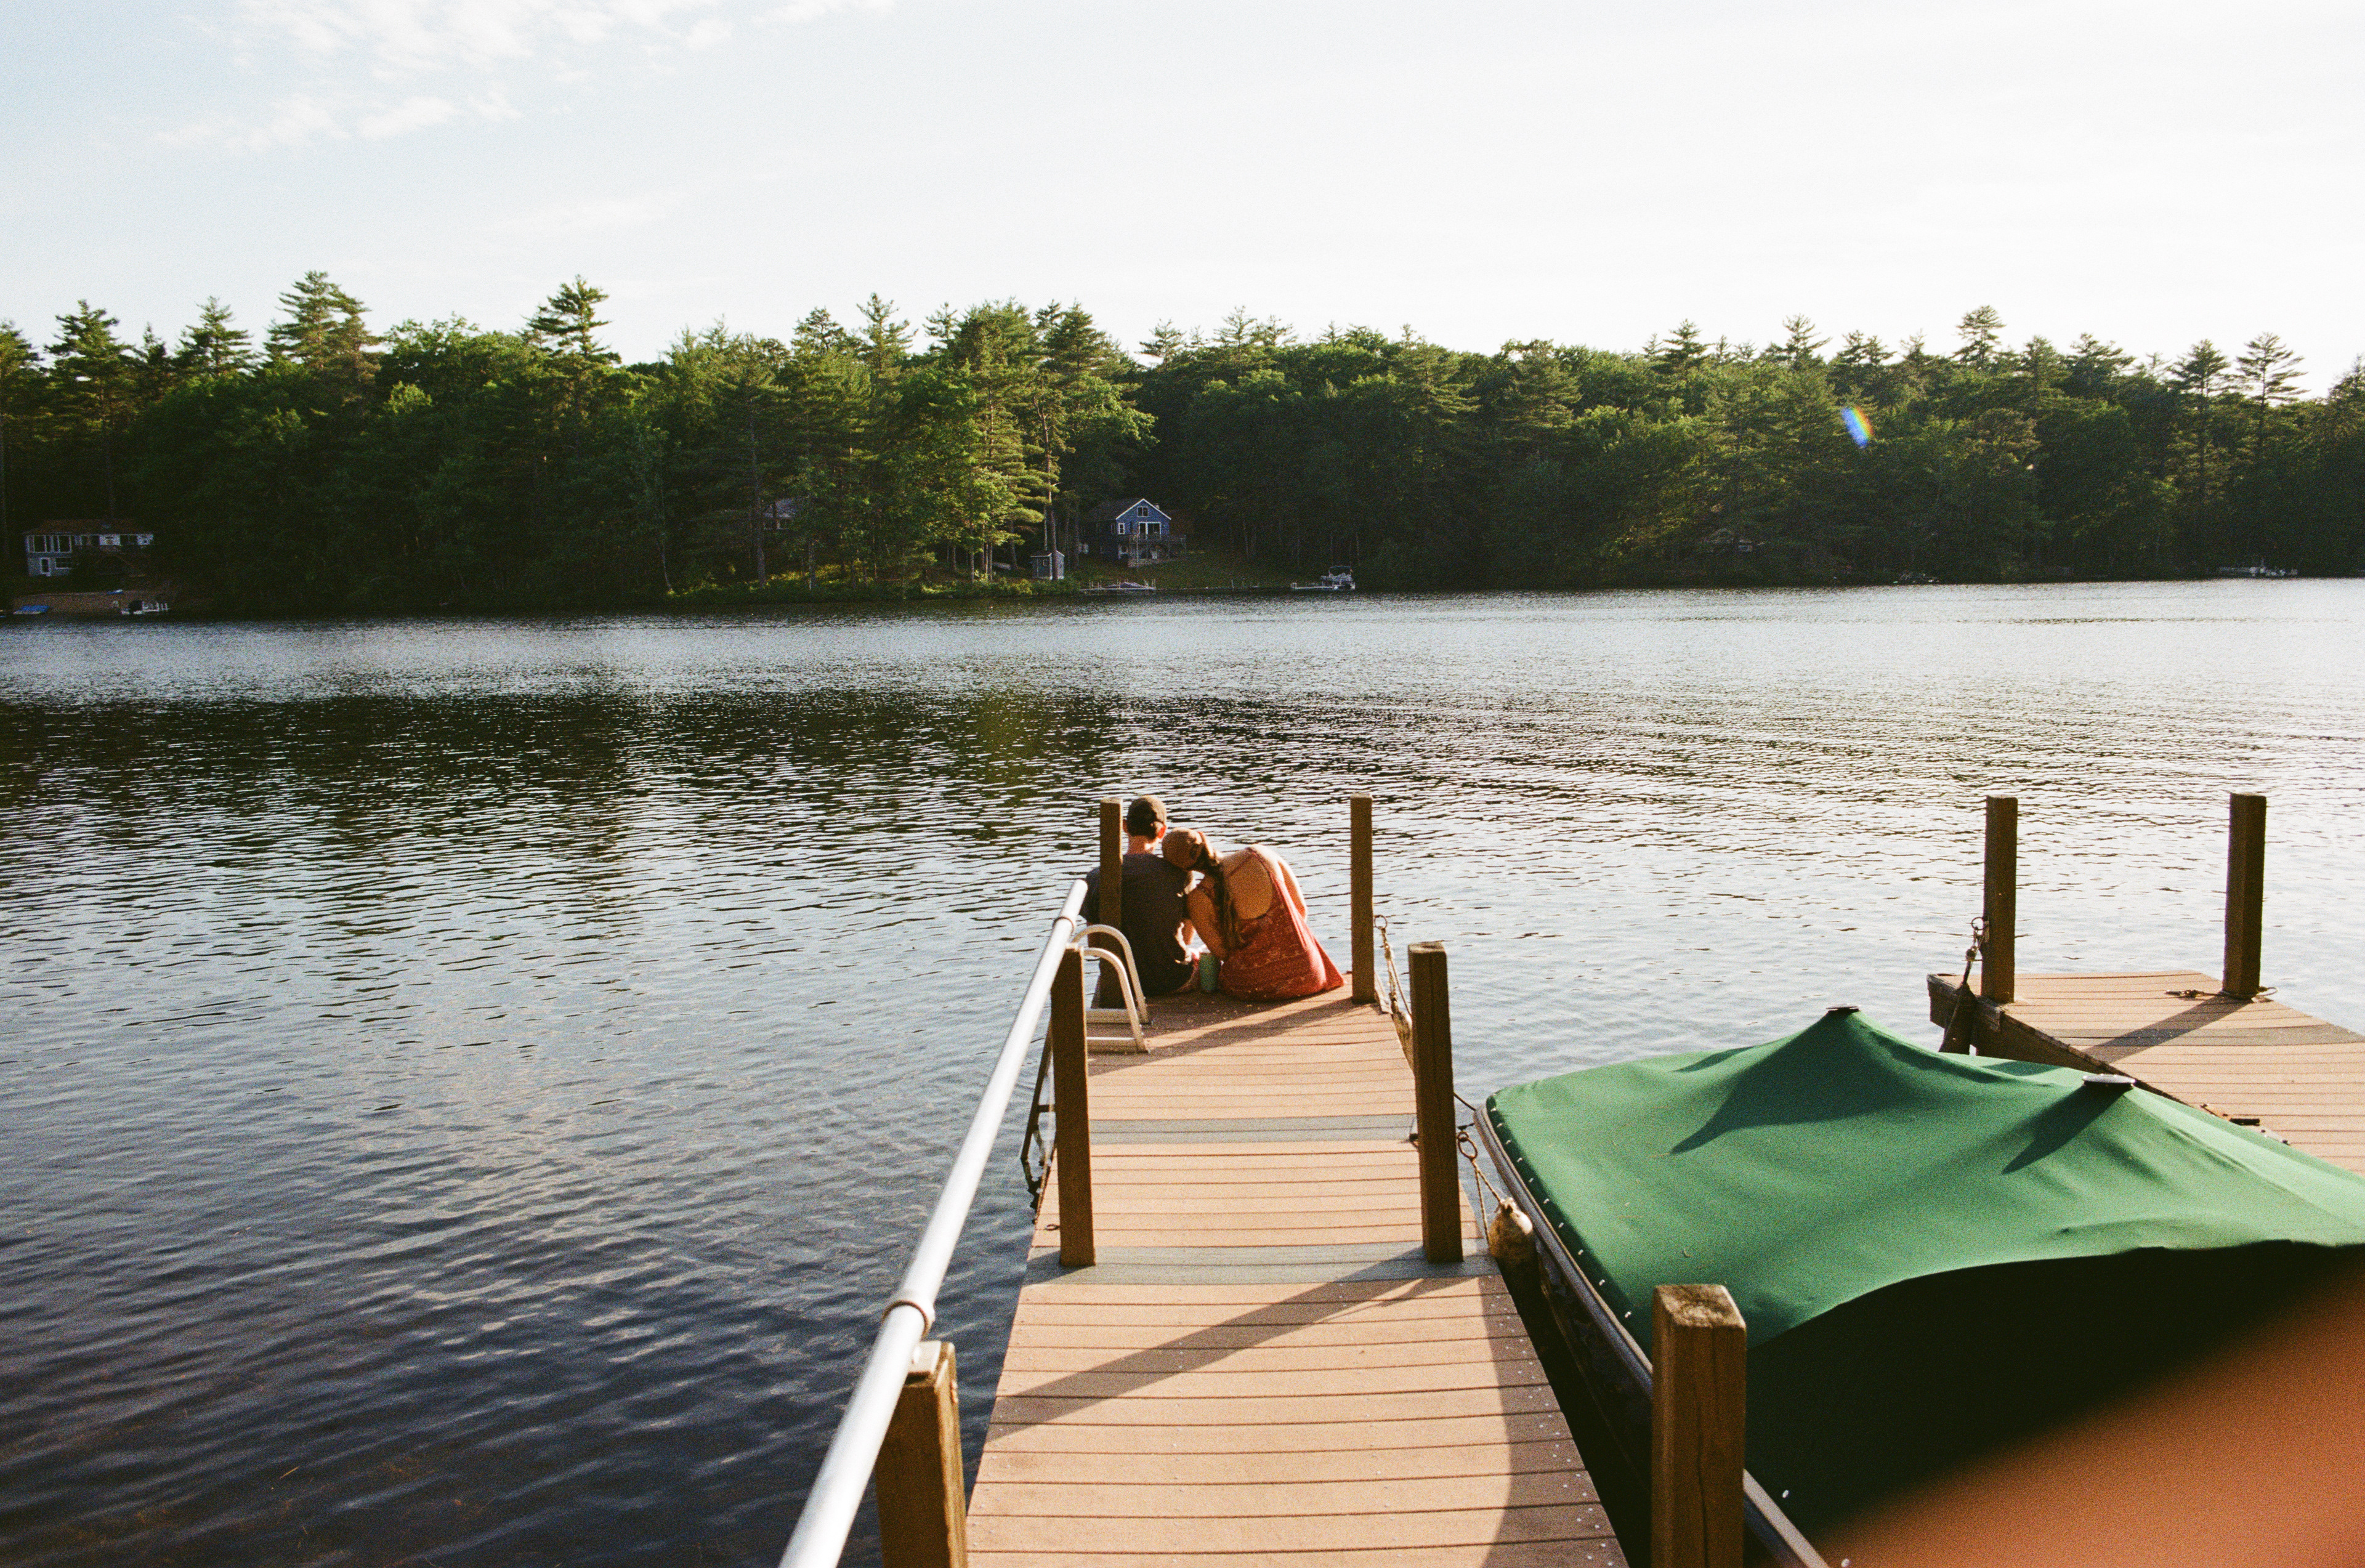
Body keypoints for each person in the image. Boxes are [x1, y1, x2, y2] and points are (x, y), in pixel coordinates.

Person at [1162, 828, 1344, 1003]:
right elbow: (1301, 909)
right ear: (1203, 835)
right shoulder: (1260, 854)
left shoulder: (1198, 900)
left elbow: (1223, 953)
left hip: (1253, 987)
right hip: (1308, 975)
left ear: (1183, 869)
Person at [1080, 795, 1195, 1003]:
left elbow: (1095, 945)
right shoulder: (1181, 874)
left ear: (1125, 827)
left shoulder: (1097, 877)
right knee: (1200, 961)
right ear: (1162, 831)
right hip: (1172, 981)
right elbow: (1186, 941)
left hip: (1122, 987)